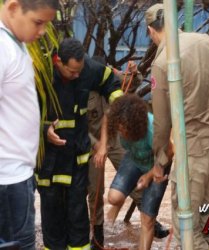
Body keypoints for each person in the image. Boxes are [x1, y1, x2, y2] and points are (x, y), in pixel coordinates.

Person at [145, 3, 209, 250]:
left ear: (152, 31)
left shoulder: (162, 62)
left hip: (193, 149)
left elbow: (162, 123)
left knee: (187, 226)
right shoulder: (204, 40)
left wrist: (159, 162)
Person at [35, 38, 123, 250]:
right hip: (49, 160)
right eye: (72, 72)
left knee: (77, 216)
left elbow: (111, 82)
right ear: (58, 62)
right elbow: (20, 110)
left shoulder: (88, 68)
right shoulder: (41, 73)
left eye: (80, 70)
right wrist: (43, 128)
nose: (77, 75)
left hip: (77, 155)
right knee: (52, 216)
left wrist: (117, 104)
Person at [87, 57, 169, 249]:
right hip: (93, 142)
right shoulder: (81, 84)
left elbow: (132, 82)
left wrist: (134, 72)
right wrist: (98, 145)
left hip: (120, 137)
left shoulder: (109, 74)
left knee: (132, 180)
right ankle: (97, 234)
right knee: (95, 189)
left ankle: (148, 217)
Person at [0, 0, 58, 249]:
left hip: (17, 175)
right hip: (7, 179)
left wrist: (42, 128)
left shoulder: (15, 44)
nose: (43, 31)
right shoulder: (3, 48)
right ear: (13, 8)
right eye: (38, 22)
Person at [106, 94, 173, 250]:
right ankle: (120, 201)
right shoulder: (117, 121)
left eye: (124, 129)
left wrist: (149, 175)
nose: (121, 133)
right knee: (114, 198)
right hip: (135, 159)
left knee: (147, 220)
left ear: (135, 124)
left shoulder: (151, 129)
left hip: (158, 165)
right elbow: (105, 120)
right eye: (119, 128)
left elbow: (170, 152)